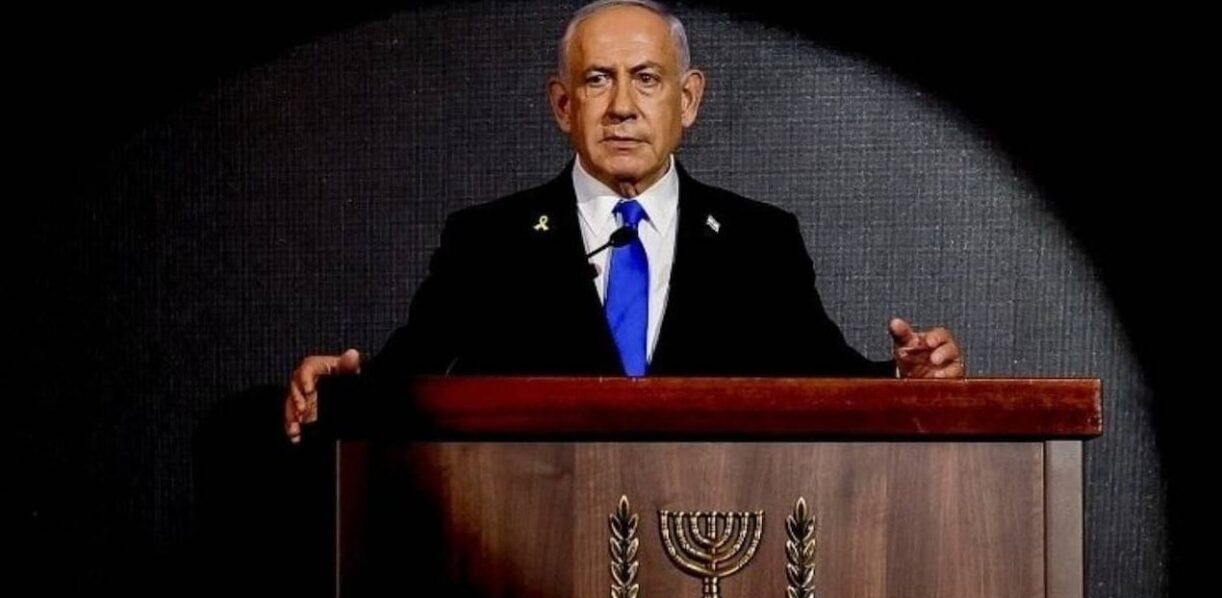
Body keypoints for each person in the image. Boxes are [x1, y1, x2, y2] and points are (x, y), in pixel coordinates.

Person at [283, 0, 964, 442]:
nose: (621, 107)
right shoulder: (487, 242)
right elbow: (406, 378)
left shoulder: (761, 242)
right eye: (597, 80)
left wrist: (907, 380)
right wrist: (341, 388)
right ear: (563, 105)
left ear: (687, 100)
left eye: (646, 78)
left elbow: (830, 383)